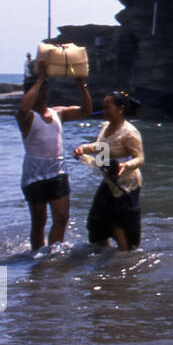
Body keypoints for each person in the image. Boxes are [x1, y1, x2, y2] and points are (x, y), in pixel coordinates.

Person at [17, 63, 92, 250]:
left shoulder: (57, 112)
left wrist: (81, 85)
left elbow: (86, 110)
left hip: (57, 171)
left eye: (45, 89)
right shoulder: (27, 118)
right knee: (39, 221)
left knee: (61, 217)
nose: (43, 93)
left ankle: (53, 254)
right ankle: (36, 257)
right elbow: (22, 110)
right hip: (34, 174)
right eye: (39, 90)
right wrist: (40, 79)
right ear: (30, 93)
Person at [73, 91, 144, 251]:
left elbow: (140, 159)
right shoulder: (106, 127)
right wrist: (82, 148)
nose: (104, 111)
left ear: (120, 109)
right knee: (95, 222)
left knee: (118, 225)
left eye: (107, 108)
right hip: (109, 180)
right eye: (103, 108)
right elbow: (101, 149)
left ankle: (125, 260)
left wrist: (127, 165)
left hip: (127, 185)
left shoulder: (129, 133)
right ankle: (106, 255)